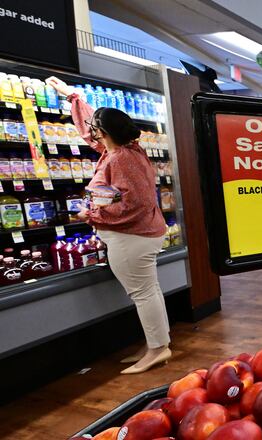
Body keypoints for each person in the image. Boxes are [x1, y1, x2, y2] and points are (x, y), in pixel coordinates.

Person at [46, 77, 171, 374]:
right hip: (139, 236)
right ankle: (157, 343)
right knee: (148, 291)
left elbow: (135, 203)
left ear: (103, 133)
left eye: (95, 131)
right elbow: (94, 130)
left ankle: (157, 349)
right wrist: (73, 98)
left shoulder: (122, 158)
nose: (92, 135)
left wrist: (90, 215)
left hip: (132, 238)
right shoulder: (123, 149)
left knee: (143, 293)